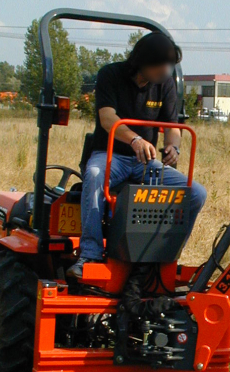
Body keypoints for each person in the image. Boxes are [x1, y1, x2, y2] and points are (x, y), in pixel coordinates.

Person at [67, 33, 206, 279]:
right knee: (96, 174)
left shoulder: (166, 84)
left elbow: (172, 127)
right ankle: (89, 254)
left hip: (146, 163)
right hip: (112, 155)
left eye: (170, 64)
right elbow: (107, 118)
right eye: (161, 64)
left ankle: (166, 256)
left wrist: (174, 148)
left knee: (195, 193)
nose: (165, 70)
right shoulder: (110, 75)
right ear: (143, 61)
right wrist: (135, 139)